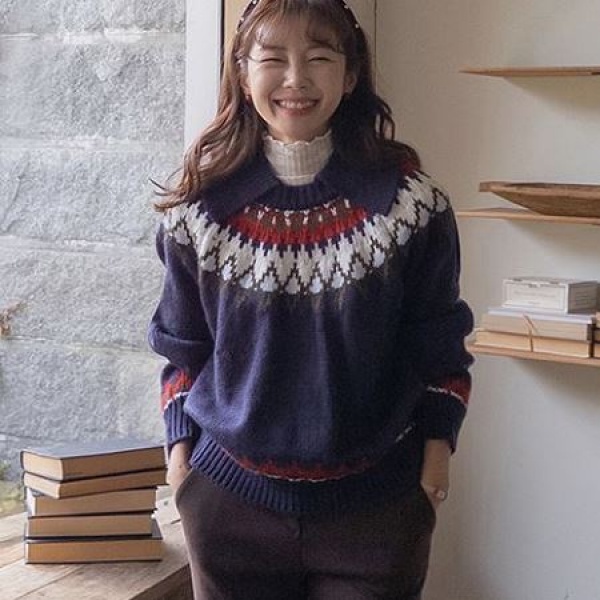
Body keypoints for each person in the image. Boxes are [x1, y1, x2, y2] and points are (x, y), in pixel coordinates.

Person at [148, 1, 474, 598]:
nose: (296, 79)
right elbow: (182, 348)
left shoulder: (413, 207)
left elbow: (439, 347)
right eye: (273, 58)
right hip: (227, 509)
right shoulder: (197, 212)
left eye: (319, 57)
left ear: (350, 75)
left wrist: (434, 465)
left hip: (378, 513)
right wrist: (180, 459)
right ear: (243, 73)